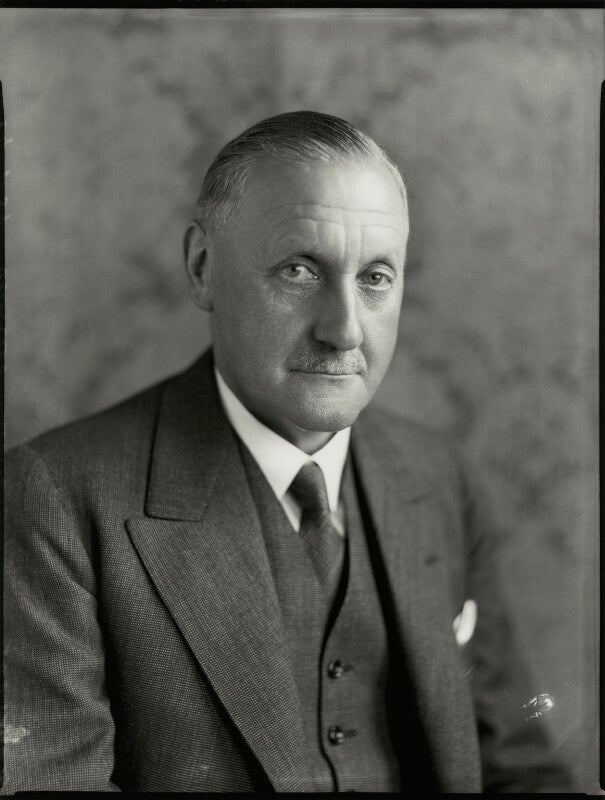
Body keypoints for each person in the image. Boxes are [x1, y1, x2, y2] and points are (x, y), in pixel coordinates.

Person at [3, 111, 573, 793]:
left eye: (375, 277)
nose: (344, 330)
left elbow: (519, 761)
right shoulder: (55, 498)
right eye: (299, 270)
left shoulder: (435, 476)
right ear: (203, 268)